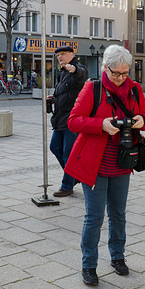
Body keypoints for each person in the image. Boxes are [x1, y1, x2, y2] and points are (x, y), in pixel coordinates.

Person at [65, 45, 145, 286]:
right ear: (105, 68)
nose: (121, 78)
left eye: (125, 73)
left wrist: (141, 120)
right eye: (116, 73)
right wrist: (101, 124)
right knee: (94, 217)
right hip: (94, 164)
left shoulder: (134, 90)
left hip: (123, 161)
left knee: (118, 214)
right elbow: (73, 121)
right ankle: (89, 264)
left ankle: (117, 257)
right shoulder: (92, 88)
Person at [49, 45, 88, 197]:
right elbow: (64, 91)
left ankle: (67, 185)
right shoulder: (63, 72)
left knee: (68, 153)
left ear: (72, 54)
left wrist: (75, 70)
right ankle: (74, 176)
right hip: (60, 118)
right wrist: (53, 98)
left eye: (63, 54)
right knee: (54, 147)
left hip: (72, 119)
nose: (60, 57)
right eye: (58, 55)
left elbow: (82, 75)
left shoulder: (77, 68)